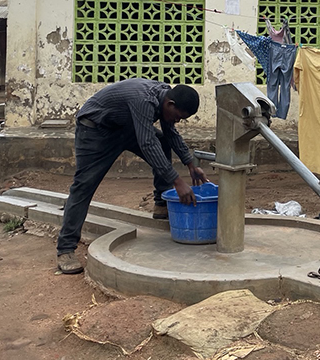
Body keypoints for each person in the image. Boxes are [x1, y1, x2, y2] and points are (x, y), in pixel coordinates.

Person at [56, 78, 209, 274]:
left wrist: (190, 164)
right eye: (178, 117)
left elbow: (170, 133)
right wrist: (177, 182)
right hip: (96, 130)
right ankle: (65, 248)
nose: (176, 121)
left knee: (162, 141)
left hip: (124, 128)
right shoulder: (144, 100)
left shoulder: (164, 97)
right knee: (84, 185)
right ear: (170, 104)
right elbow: (147, 143)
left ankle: (161, 204)